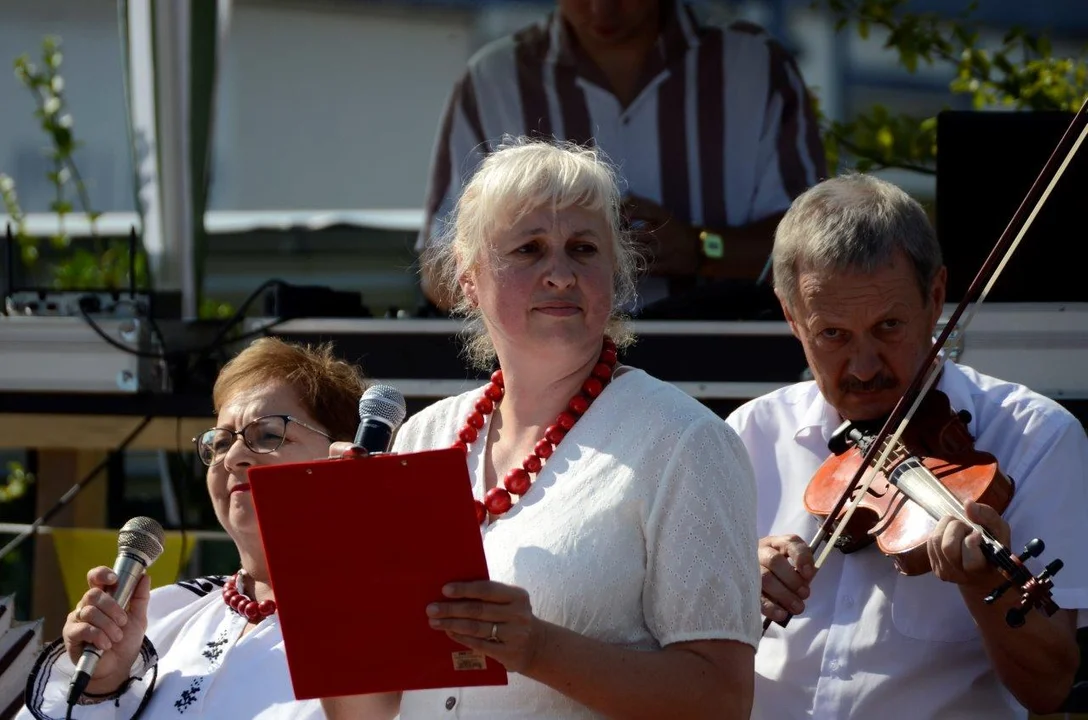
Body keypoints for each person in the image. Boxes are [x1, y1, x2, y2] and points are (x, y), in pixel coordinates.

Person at [324, 137, 760, 719]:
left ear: (617, 270)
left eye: (583, 249)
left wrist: (538, 647)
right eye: (529, 249)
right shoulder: (424, 436)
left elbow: (721, 700)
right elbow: (369, 710)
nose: (560, 273)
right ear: (470, 276)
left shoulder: (685, 441)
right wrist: (334, 573)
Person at [725, 173, 1088, 718]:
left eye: (889, 326)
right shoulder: (748, 433)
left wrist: (986, 581)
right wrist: (729, 582)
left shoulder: (1035, 437)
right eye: (833, 335)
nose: (865, 366)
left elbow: (1050, 687)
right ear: (791, 317)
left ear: (935, 296)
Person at [19, 337, 371, 719]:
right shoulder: (159, 618)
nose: (234, 457)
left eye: (268, 435)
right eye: (220, 443)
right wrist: (103, 687)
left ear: (345, 455)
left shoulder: (395, 624)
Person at [417, 0, 826, 319]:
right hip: (545, 374)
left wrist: (702, 247)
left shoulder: (754, 68)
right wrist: (535, 266)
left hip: (719, 353)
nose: (601, 9)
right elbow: (440, 271)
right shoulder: (494, 79)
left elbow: (817, 254)